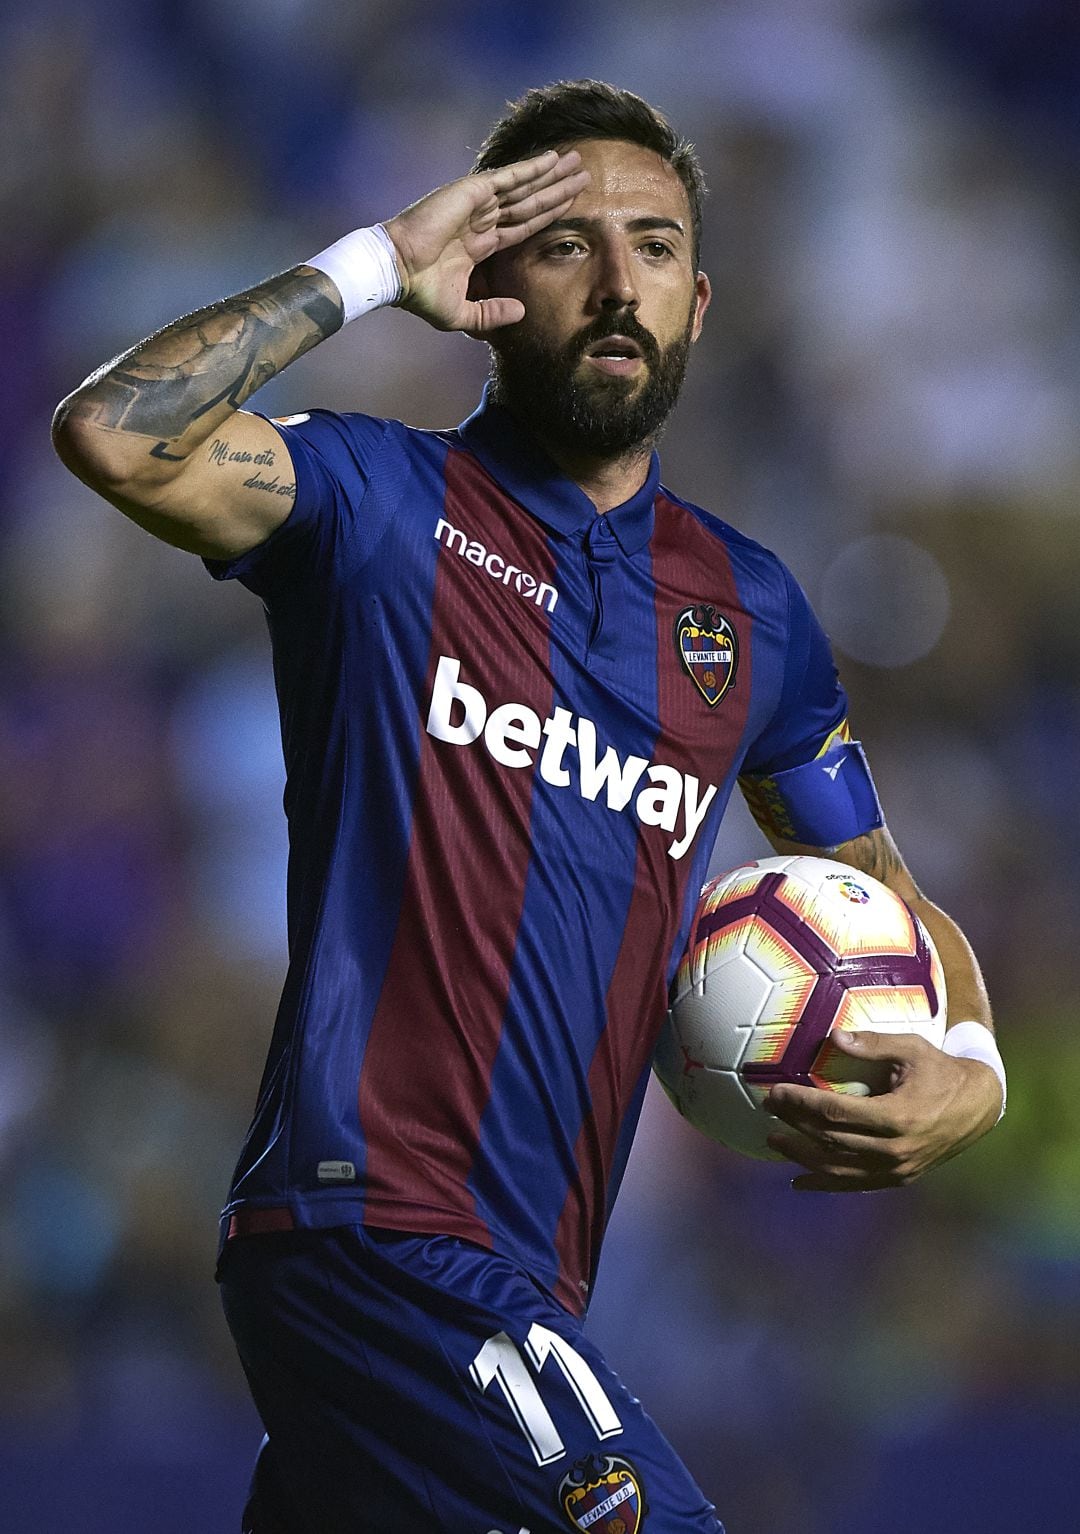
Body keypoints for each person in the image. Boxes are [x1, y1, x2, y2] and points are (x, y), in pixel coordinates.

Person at [53, 79, 1006, 1534]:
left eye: (658, 247)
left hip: (525, 1267)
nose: (620, 282)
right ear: (488, 283)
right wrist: (373, 262)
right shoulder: (378, 508)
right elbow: (119, 435)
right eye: (568, 245)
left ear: (700, 301)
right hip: (367, 1227)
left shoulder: (750, 613)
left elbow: (880, 882)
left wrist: (971, 1060)